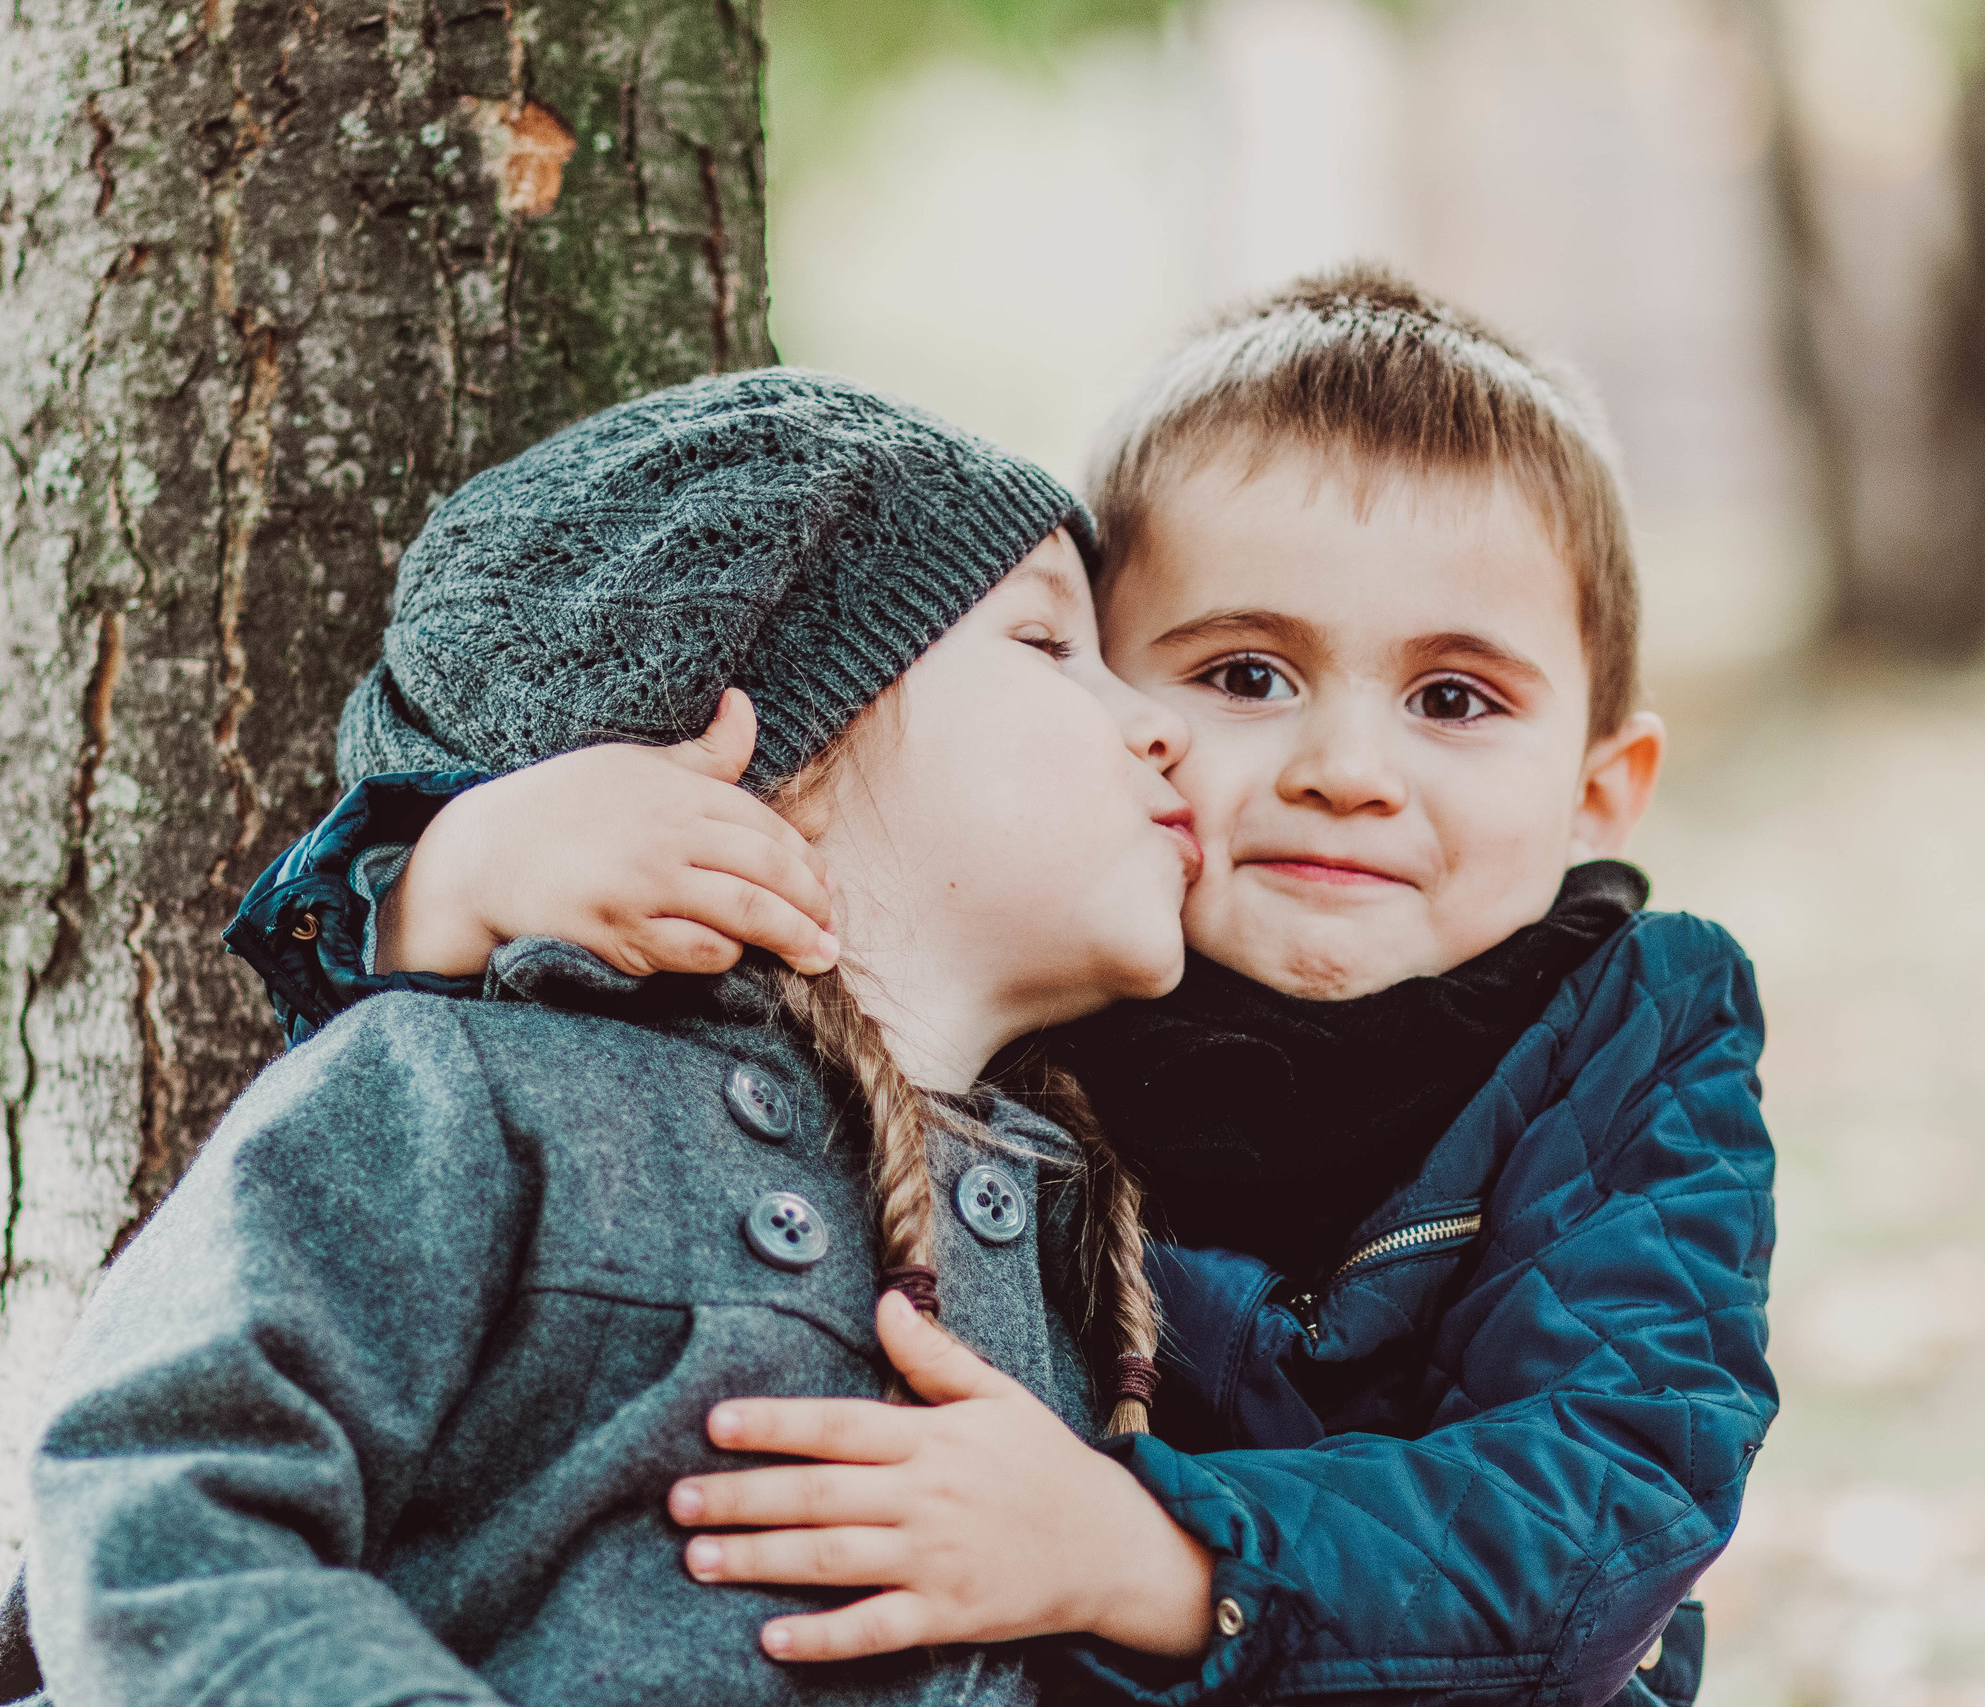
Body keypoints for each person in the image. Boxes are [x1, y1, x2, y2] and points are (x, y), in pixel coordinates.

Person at [225, 268, 1777, 1707]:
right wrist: (442, 882)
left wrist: (1141, 1553)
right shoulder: (1050, 961)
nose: (1347, 770)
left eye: (1455, 698)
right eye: (1244, 675)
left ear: (1602, 789)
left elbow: (1612, 1490)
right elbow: (599, 1041)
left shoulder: (1634, 1036)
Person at [0, 369, 1230, 1707]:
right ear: (768, 752)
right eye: (1047, 644)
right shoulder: (467, 1093)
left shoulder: (1089, 1240)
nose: (1166, 726)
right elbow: (159, 1511)